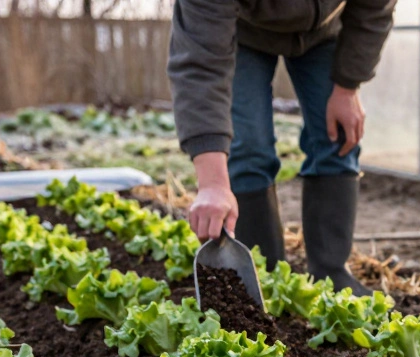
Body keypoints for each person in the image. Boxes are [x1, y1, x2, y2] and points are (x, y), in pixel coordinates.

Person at [168, 0, 397, 296]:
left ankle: (331, 275)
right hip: (243, 31)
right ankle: (265, 280)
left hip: (325, 30)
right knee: (249, 149)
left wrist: (347, 86)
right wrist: (212, 183)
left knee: (338, 137)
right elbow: (199, 64)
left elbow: (375, 8)